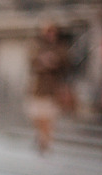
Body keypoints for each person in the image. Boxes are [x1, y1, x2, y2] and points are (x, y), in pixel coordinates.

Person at [27, 23, 71, 154]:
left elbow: (66, 63)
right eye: (47, 31)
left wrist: (55, 61)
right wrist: (43, 61)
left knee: (49, 117)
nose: (50, 34)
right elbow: (31, 62)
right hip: (38, 87)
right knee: (38, 116)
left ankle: (46, 141)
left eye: (52, 31)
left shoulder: (60, 47)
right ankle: (41, 136)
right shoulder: (36, 45)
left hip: (54, 88)